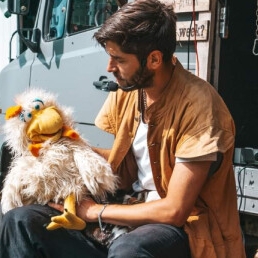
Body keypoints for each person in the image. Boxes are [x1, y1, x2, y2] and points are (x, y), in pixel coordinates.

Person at [0, 0, 246, 257]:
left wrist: (96, 212)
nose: (109, 68)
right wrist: (64, 148)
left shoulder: (200, 106)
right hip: (125, 206)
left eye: (118, 59)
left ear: (153, 59)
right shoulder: (130, 92)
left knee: (130, 249)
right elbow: (122, 167)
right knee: (21, 221)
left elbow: (175, 210)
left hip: (183, 228)